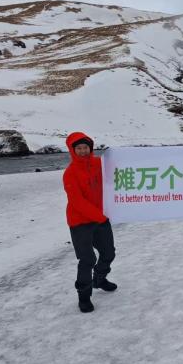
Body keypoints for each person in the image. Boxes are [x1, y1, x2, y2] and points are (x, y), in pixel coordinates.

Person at [63, 132, 117, 313]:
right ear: (73, 150)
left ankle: (99, 279)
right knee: (87, 259)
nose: (83, 151)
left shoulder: (99, 164)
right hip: (80, 222)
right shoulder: (70, 173)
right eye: (78, 148)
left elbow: (118, 174)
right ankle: (84, 296)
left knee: (108, 253)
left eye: (85, 147)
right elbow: (77, 202)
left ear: (90, 148)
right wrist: (100, 216)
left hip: (100, 218)